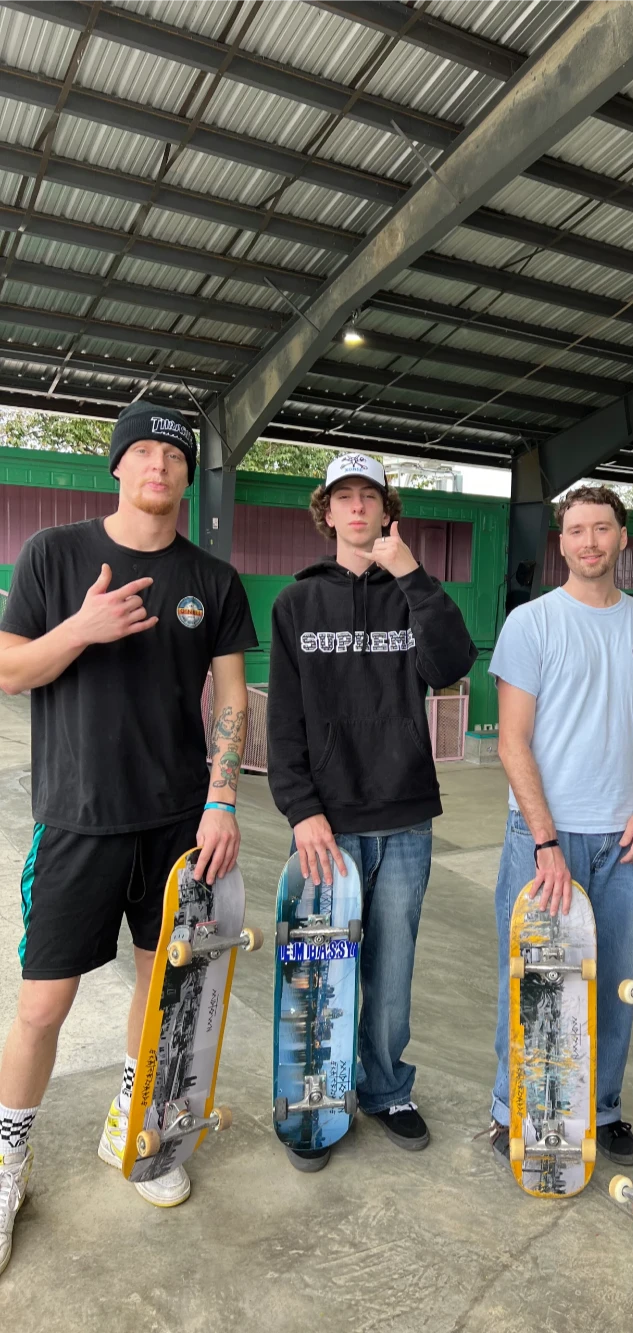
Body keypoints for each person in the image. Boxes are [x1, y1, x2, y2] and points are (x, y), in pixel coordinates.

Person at [0, 401, 258, 1275]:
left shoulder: (213, 580)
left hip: (179, 824)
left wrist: (222, 797)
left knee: (159, 995)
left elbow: (231, 698)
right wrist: (80, 627)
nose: (158, 465)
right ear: (117, 465)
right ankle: (7, 1161)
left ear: (188, 475)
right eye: (142, 451)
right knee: (42, 1005)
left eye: (173, 455)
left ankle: (134, 1121)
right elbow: (6, 668)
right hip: (75, 819)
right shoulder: (56, 555)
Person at [267, 451, 477, 1167]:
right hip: (327, 823)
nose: (357, 509)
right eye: (343, 497)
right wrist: (301, 810)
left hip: (405, 816)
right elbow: (285, 723)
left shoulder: (412, 593)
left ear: (388, 511)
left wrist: (412, 572)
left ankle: (386, 1087)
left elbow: (451, 664)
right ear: (325, 511)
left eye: (370, 498)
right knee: (323, 968)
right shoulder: (296, 603)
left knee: (391, 969)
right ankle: (319, 1100)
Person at [487, 484, 633, 1165]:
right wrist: (544, 838)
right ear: (562, 540)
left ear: (622, 536)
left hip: (624, 835)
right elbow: (513, 740)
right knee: (534, 978)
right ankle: (510, 1106)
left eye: (602, 528)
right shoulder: (533, 623)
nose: (589, 541)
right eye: (576, 530)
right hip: (546, 834)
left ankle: (602, 1109)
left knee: (611, 980)